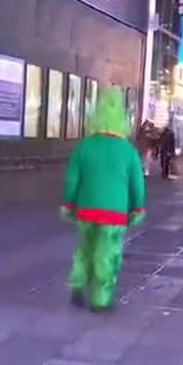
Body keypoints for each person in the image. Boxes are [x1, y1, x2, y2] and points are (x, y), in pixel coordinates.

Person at [61, 86, 146, 313]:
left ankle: (77, 281)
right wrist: (137, 208)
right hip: (114, 213)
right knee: (106, 254)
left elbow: (71, 179)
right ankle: (100, 299)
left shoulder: (84, 146)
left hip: (85, 209)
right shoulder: (128, 151)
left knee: (85, 246)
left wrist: (68, 204)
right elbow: (137, 183)